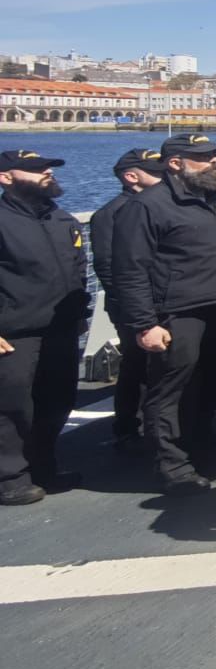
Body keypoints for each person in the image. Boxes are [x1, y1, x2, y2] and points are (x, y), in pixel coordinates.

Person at [107, 135, 216, 494]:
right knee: (171, 390)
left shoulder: (213, 198)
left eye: (214, 156)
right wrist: (145, 324)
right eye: (203, 157)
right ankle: (172, 465)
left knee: (209, 386)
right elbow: (130, 270)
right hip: (177, 312)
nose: (213, 162)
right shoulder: (147, 207)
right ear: (175, 163)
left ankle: (204, 452)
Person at [0, 149, 92, 503]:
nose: (46, 173)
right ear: (6, 177)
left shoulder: (61, 219)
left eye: (48, 168)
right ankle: (10, 478)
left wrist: (78, 313)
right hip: (15, 331)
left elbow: (78, 269)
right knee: (12, 406)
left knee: (56, 400)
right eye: (36, 169)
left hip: (60, 327)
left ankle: (43, 467)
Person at [90, 146, 165, 451]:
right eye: (155, 172)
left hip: (160, 300)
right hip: (133, 306)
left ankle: (156, 424)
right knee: (136, 367)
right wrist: (134, 308)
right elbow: (109, 267)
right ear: (131, 177)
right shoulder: (111, 214)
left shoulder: (158, 208)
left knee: (159, 367)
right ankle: (127, 428)